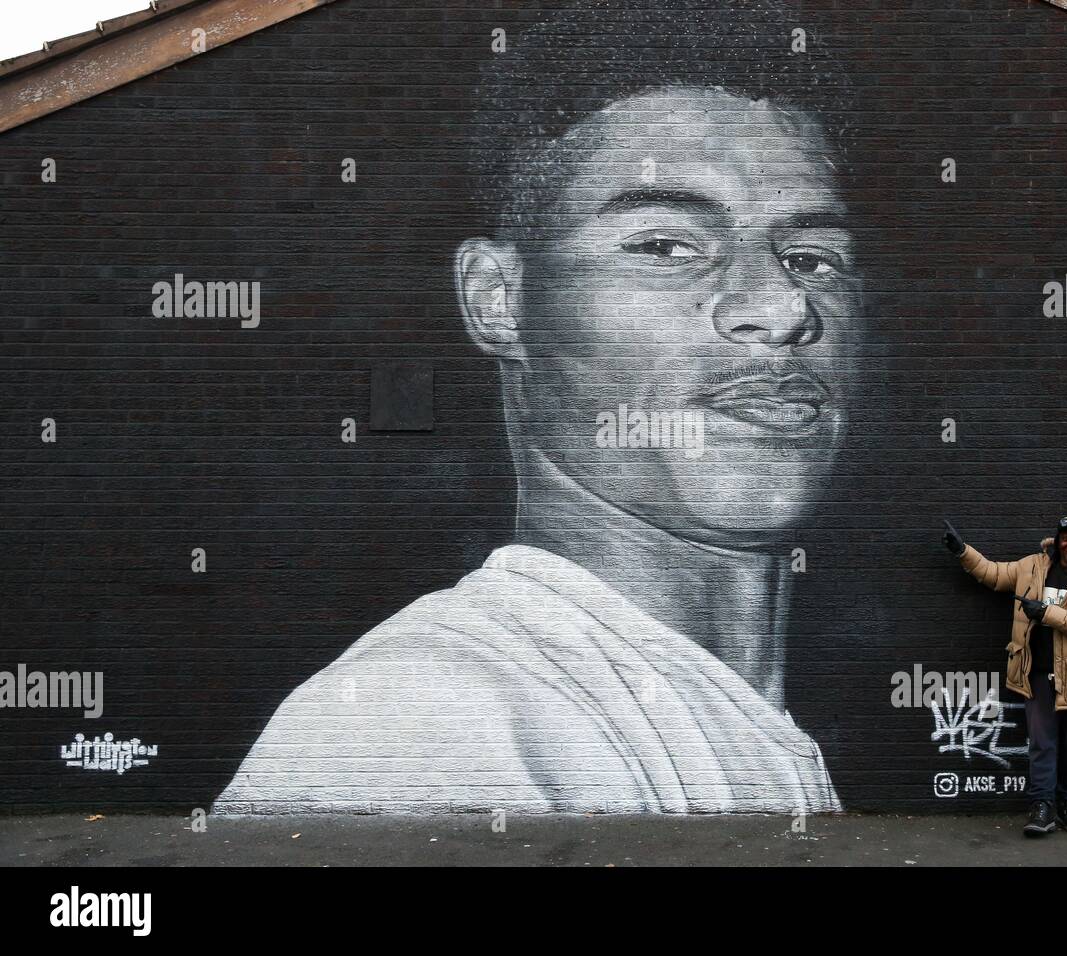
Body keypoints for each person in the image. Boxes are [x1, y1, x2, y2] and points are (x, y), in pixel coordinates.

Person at [215, 0, 867, 814]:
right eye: (665, 247)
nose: (780, 305)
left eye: (812, 255)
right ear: (500, 301)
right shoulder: (429, 724)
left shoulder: (729, 721)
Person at [942, 517, 1067, 836]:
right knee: (1042, 744)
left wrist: (1045, 613)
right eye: (1066, 537)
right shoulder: (1032, 567)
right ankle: (1042, 807)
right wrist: (963, 552)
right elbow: (993, 573)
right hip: (1036, 675)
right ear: (1056, 541)